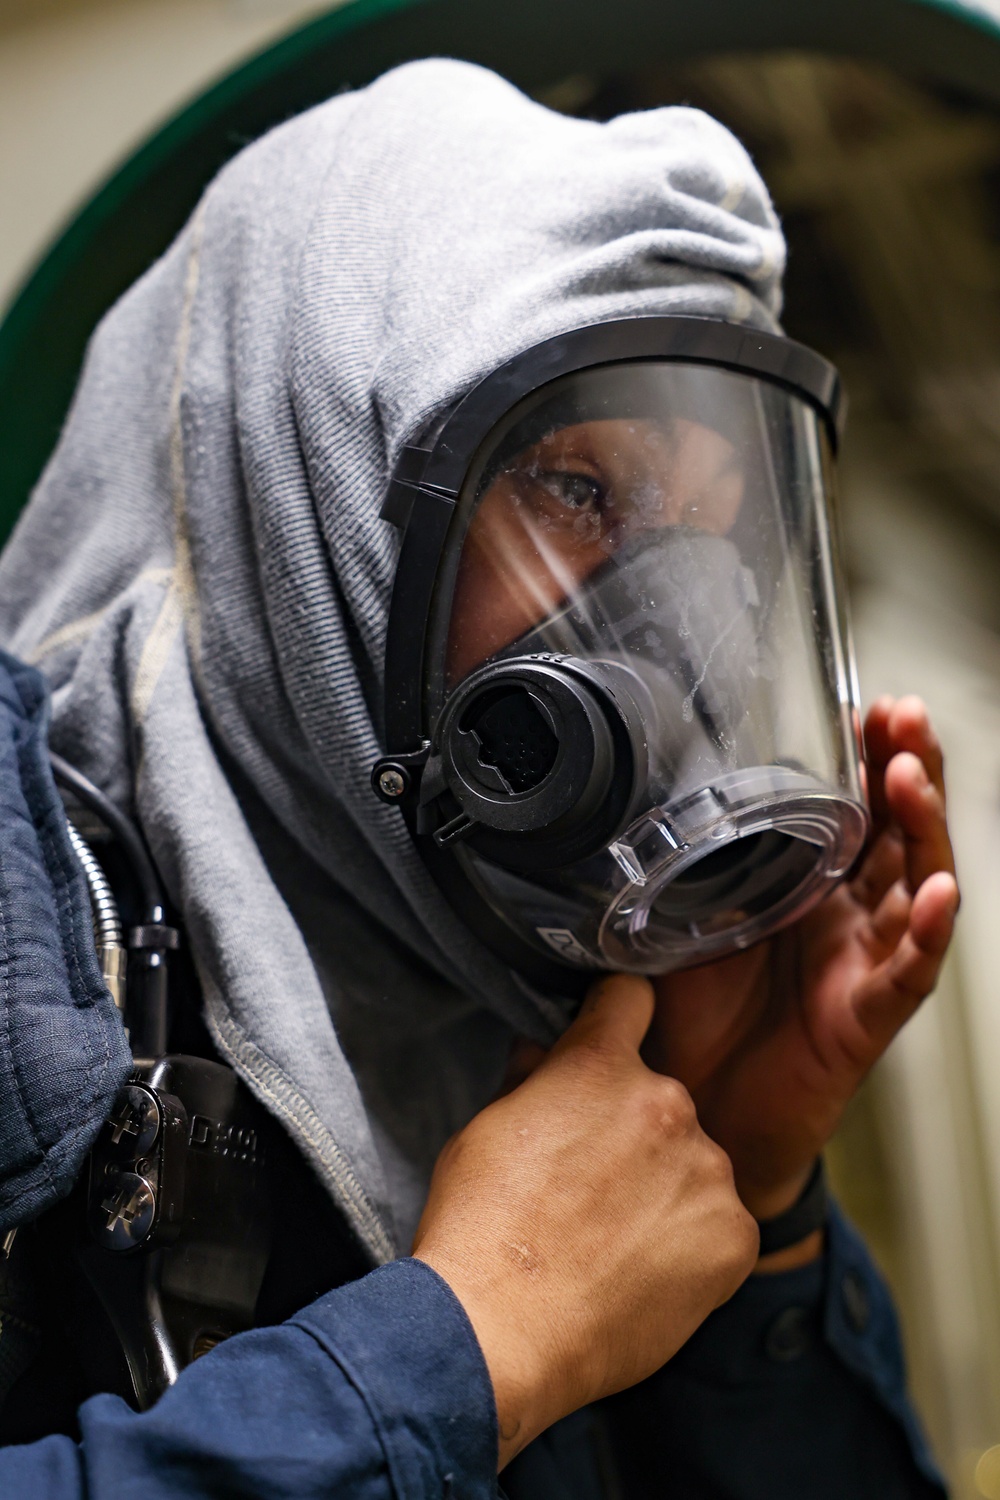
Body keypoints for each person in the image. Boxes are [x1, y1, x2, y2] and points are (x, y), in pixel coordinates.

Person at [0, 57, 957, 1497]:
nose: (673, 629)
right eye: (582, 490)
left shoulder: (542, 1002)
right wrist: (474, 1341)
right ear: (318, 482)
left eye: (722, 543)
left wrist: (747, 1195)